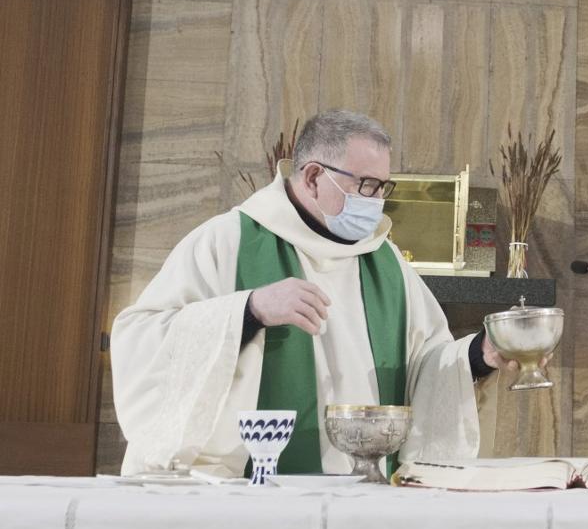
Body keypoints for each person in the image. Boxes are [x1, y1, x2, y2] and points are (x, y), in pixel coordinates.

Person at [112, 109, 514, 476]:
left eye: (382, 188)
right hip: (245, 495)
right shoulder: (228, 241)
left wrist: (479, 355)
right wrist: (249, 310)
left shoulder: (384, 260)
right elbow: (140, 335)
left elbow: (425, 362)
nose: (376, 203)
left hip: (362, 491)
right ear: (313, 176)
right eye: (366, 186)